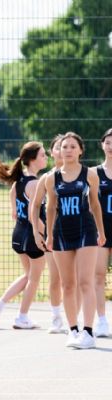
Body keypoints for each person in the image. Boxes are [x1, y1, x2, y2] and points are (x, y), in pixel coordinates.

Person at [45, 132, 105, 349]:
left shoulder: (89, 174)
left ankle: (88, 332)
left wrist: (101, 232)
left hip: (86, 232)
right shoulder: (52, 178)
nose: (68, 150)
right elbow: (50, 207)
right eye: (64, 147)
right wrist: (49, 235)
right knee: (67, 285)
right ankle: (73, 330)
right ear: (58, 151)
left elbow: (95, 205)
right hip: (62, 233)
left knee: (85, 282)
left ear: (80, 150)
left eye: (72, 146)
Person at [0, 141, 47, 329]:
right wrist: (47, 233)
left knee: (28, 275)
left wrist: (15, 210)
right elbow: (32, 214)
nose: (46, 157)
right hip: (32, 235)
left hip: (19, 233)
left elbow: (13, 201)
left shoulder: (19, 181)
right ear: (32, 159)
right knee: (34, 278)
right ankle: (22, 317)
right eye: (43, 155)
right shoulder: (35, 183)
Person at [31, 135, 66, 333]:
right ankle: (56, 318)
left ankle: (74, 319)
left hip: (76, 233)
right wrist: (37, 233)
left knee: (74, 279)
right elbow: (35, 206)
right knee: (55, 278)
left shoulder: (80, 175)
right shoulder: (46, 178)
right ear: (52, 152)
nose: (62, 151)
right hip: (52, 235)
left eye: (66, 146)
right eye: (58, 147)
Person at [92, 128, 112, 337]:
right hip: (101, 231)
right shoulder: (94, 173)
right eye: (108, 142)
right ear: (102, 145)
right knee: (98, 276)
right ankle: (102, 320)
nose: (111, 146)